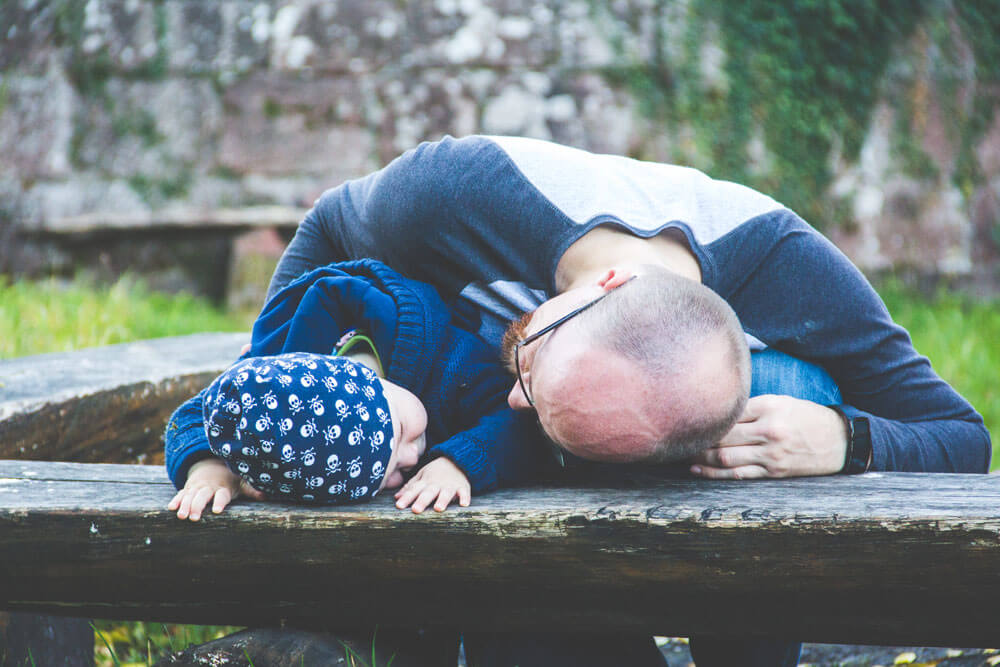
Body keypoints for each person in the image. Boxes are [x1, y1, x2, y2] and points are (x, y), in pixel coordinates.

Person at [260, 135, 991, 666]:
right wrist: (251, 415)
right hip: (474, 479)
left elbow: (962, 436)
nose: (518, 393)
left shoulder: (792, 273)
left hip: (719, 519)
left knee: (790, 388)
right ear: (603, 283)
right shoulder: (458, 192)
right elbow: (326, 228)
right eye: (537, 371)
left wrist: (845, 441)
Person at [165, 258, 552, 521]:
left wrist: (460, 461)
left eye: (401, 430)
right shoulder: (271, 395)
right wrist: (212, 468)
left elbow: (520, 418)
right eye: (389, 475)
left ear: (378, 384)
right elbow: (197, 414)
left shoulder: (448, 363)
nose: (411, 453)